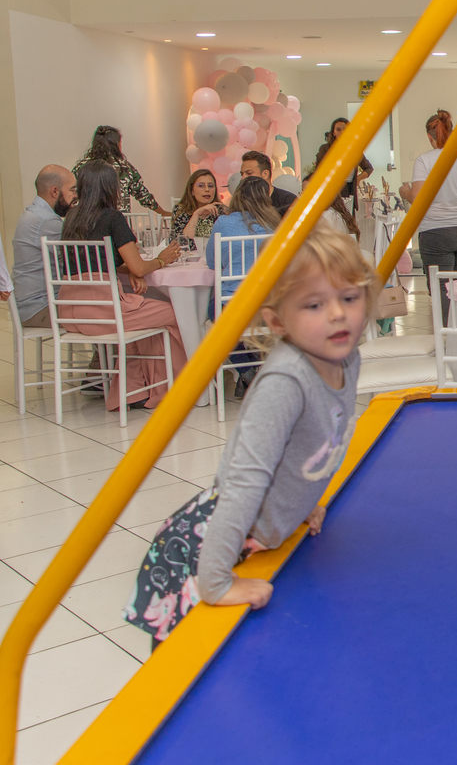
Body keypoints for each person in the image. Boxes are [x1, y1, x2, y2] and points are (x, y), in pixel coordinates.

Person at [124, 223, 377, 645]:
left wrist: (301, 503)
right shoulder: (285, 382)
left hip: (260, 531)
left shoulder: (345, 358)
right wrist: (217, 581)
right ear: (277, 321)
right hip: (217, 541)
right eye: (313, 305)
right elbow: (245, 481)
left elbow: (314, 445)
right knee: (195, 663)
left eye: (349, 298)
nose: (337, 313)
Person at [57, 161, 185, 412]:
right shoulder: (112, 218)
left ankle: (134, 388)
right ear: (111, 188)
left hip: (70, 308)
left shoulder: (71, 217)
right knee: (172, 312)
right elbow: (139, 267)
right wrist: (162, 260)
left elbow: (94, 263)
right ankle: (172, 386)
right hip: (103, 310)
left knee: (142, 320)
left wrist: (128, 269)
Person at [397, 110, 457, 324]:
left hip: (435, 231)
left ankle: (447, 338)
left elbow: (418, 198)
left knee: (441, 286)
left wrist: (405, 192)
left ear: (429, 137)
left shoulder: (424, 160)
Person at [206, 176, 281, 397]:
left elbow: (212, 262)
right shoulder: (275, 225)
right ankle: (255, 372)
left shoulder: (223, 223)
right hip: (269, 305)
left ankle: (248, 371)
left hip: (233, 304)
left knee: (216, 313)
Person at [12, 165, 76, 326]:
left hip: (26, 306)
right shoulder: (46, 220)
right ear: (55, 191)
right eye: (72, 191)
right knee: (106, 310)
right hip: (41, 307)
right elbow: (77, 259)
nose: (75, 197)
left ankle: (102, 352)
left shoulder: (31, 213)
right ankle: (112, 352)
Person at [73, 126, 169, 216]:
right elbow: (142, 194)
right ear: (116, 145)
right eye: (120, 142)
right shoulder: (124, 168)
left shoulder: (82, 166)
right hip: (119, 221)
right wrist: (162, 212)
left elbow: (71, 191)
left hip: (88, 221)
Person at [314, 117, 373, 212]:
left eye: (345, 129)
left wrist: (358, 179)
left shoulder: (354, 150)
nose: (342, 132)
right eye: (338, 129)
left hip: (349, 189)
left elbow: (368, 168)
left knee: (348, 220)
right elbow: (318, 171)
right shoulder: (325, 149)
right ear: (333, 132)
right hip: (331, 190)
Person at [170, 169, 227, 251]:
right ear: (192, 191)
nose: (207, 189)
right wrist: (196, 215)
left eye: (211, 186)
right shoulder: (181, 210)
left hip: (215, 258)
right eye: (201, 186)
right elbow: (181, 244)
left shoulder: (222, 210)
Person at [240, 151, 296, 215]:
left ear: (265, 174)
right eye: (242, 174)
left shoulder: (288, 200)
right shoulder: (243, 201)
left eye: (249, 173)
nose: (243, 178)